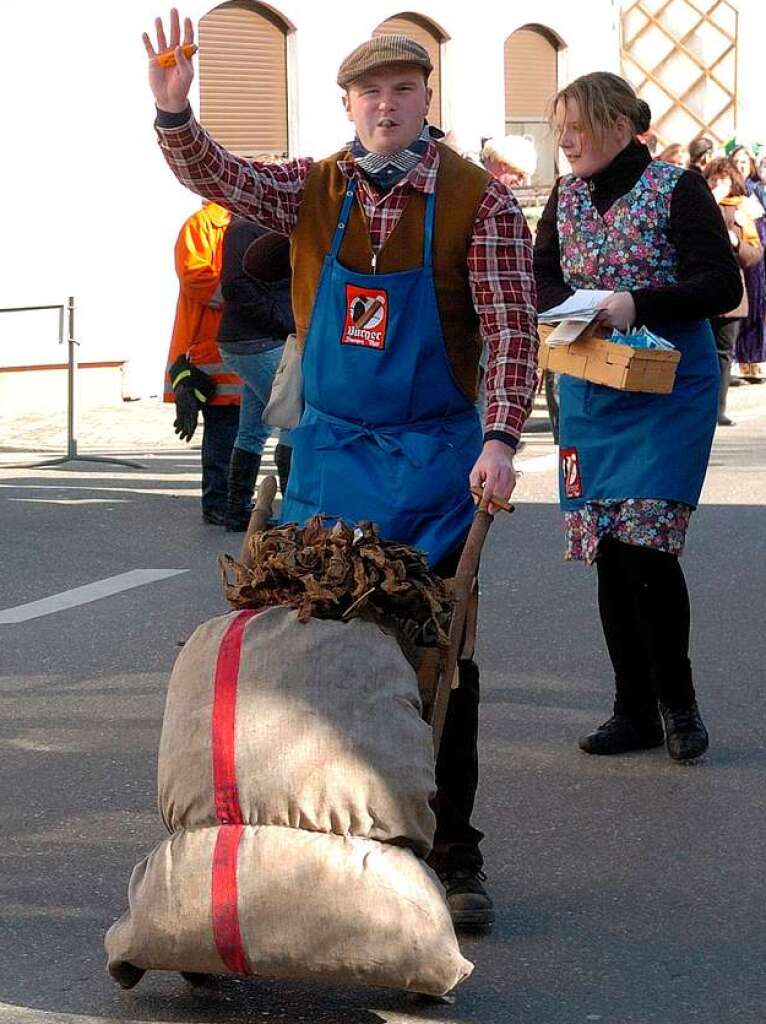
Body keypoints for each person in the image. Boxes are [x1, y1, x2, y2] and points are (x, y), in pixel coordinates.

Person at [143, 13, 538, 929]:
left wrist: (501, 440)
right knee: (301, 657)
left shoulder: (482, 202)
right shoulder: (317, 186)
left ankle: (453, 849)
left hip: (438, 465)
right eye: (370, 93)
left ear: (425, 100)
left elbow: (515, 329)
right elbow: (223, 176)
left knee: (440, 659)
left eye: (403, 90)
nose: (386, 106)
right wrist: (175, 113)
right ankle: (306, 843)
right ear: (350, 105)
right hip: (326, 460)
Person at [534, 72, 741, 762]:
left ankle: (677, 706)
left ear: (619, 127)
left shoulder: (676, 188)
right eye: (558, 127)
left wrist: (636, 302)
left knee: (647, 547)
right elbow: (543, 276)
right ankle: (632, 710)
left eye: (576, 126)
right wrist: (571, 304)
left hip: (666, 389)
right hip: (592, 389)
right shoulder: (562, 196)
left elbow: (721, 282)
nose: (564, 141)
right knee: (609, 555)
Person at [165, 201, 241, 524]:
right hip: (209, 350)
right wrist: (245, 297)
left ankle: (233, 501)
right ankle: (218, 502)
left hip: (233, 346)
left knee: (239, 431)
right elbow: (196, 278)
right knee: (224, 429)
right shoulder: (202, 225)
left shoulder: (234, 224)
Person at [217, 218, 294, 530]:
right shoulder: (245, 228)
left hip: (254, 340)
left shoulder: (257, 227)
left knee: (253, 429)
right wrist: (283, 318)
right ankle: (293, 513)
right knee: (293, 420)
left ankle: (236, 509)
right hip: (256, 341)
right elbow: (235, 285)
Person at [702, 157, 762, 424]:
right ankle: (700, 408)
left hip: (732, 293)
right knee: (702, 352)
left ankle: (718, 409)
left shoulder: (740, 211)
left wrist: (736, 242)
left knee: (724, 353)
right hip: (700, 290)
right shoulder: (698, 206)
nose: (718, 184)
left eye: (723, 179)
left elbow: (754, 255)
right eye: (714, 179)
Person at [728, 144, 766, 382]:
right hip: (737, 255)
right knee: (741, 307)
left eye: (745, 161)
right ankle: (738, 360)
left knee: (757, 308)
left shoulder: (754, 190)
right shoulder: (729, 190)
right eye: (738, 161)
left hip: (757, 252)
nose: (742, 165)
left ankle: (754, 360)